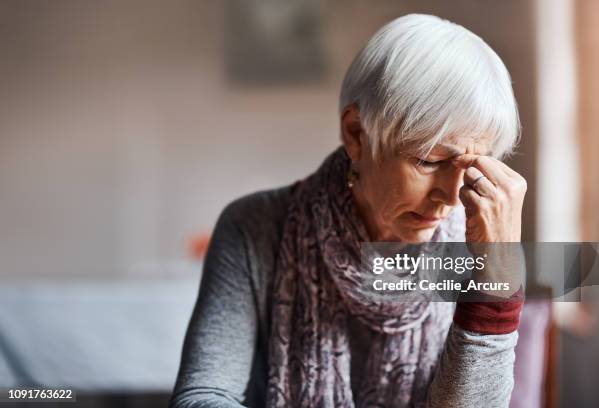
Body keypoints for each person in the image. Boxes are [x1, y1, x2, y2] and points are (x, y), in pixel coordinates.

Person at [170, 14, 527, 408]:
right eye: (428, 160)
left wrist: (497, 272)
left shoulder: (483, 243)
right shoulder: (252, 229)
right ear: (357, 135)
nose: (451, 195)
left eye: (472, 167)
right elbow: (203, 397)